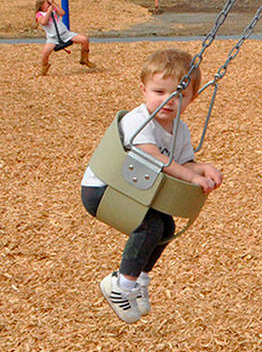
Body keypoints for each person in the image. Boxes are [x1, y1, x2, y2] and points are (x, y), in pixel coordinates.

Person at [83, 48, 223, 323]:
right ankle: (119, 286)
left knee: (166, 226)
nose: (168, 101)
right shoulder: (138, 120)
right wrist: (192, 177)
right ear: (143, 90)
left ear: (192, 98)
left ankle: (138, 281)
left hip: (132, 191)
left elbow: (182, 162)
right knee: (149, 226)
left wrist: (203, 168)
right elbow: (155, 157)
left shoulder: (180, 130)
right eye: (159, 92)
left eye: (179, 95)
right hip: (103, 189)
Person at [35, 0, 91, 75]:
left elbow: (62, 13)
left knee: (85, 39)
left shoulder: (53, 9)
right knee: (45, 53)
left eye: (49, 2)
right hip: (53, 38)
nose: (49, 4)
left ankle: (84, 59)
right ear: (41, 5)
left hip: (65, 34)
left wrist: (53, 3)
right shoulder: (39, 14)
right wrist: (48, 12)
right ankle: (44, 68)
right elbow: (44, 22)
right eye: (47, 3)